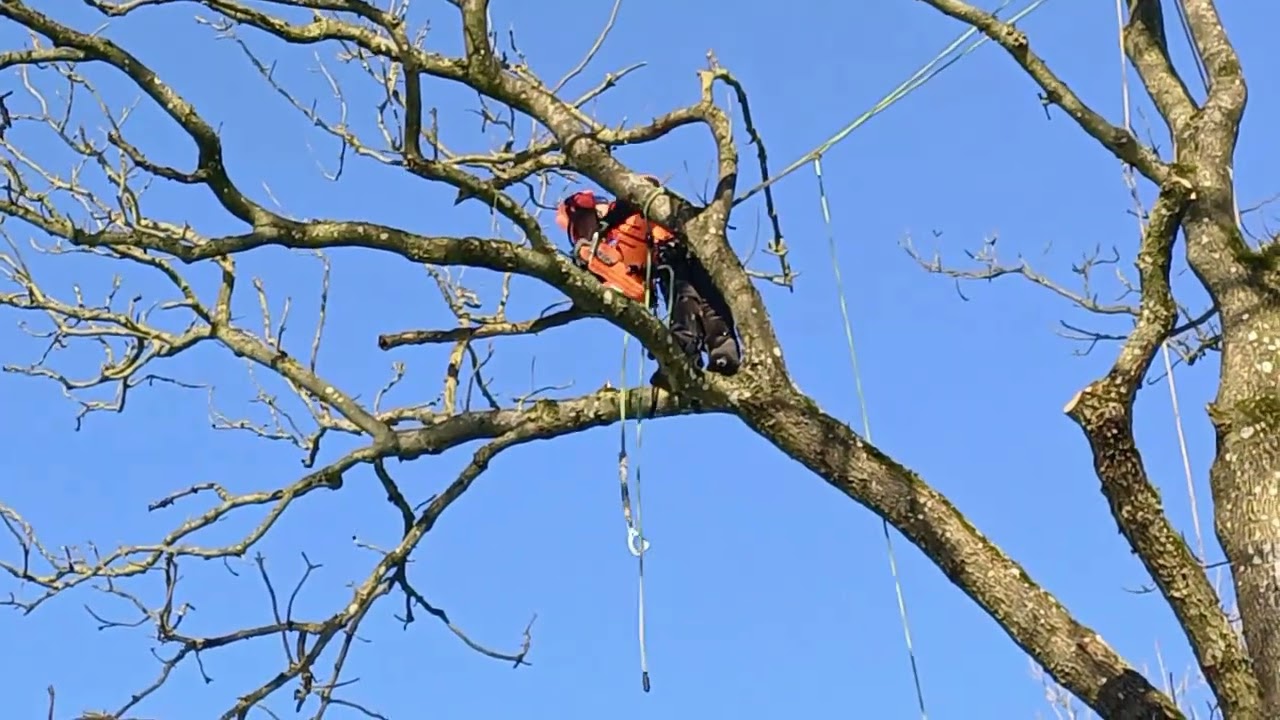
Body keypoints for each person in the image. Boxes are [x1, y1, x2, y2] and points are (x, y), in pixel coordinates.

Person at [555, 177, 742, 388]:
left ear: (594, 211)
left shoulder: (626, 210)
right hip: (665, 268)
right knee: (683, 301)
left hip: (682, 248)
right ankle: (684, 357)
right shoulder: (607, 248)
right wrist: (593, 268)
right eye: (578, 231)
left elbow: (649, 183)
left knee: (702, 299)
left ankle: (720, 349)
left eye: (582, 225)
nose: (584, 232)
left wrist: (619, 211)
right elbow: (632, 288)